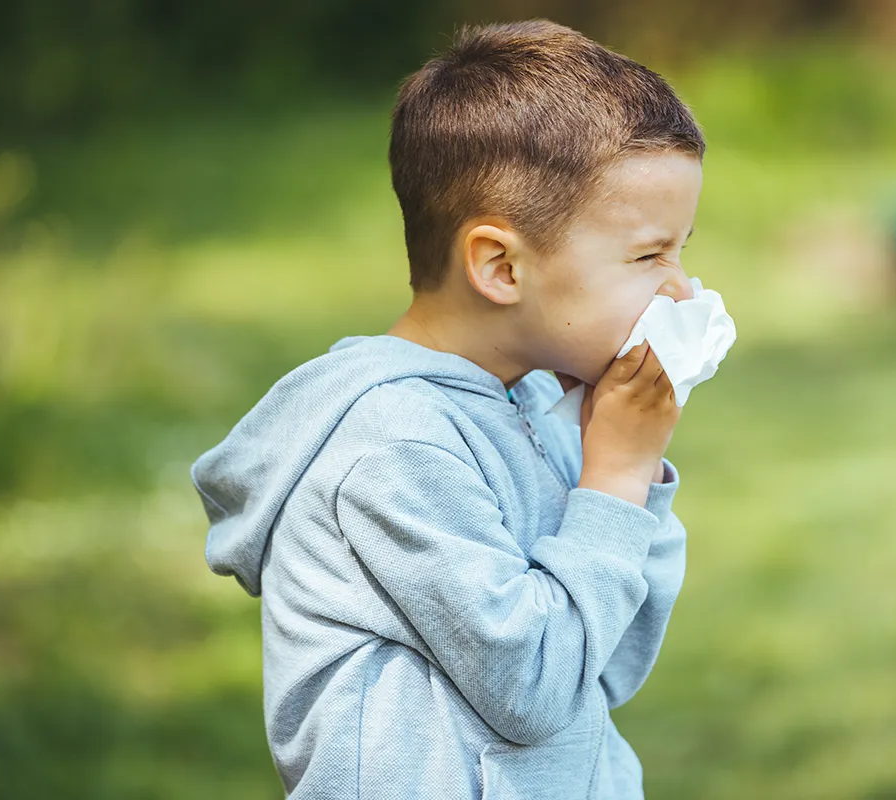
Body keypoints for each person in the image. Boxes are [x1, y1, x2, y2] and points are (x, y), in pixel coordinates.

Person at [190, 18, 704, 799]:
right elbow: (531, 690)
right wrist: (617, 477)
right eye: (648, 255)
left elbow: (604, 663)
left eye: (682, 249)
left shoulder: (539, 401)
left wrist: (636, 480)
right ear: (500, 267)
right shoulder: (392, 445)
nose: (681, 289)